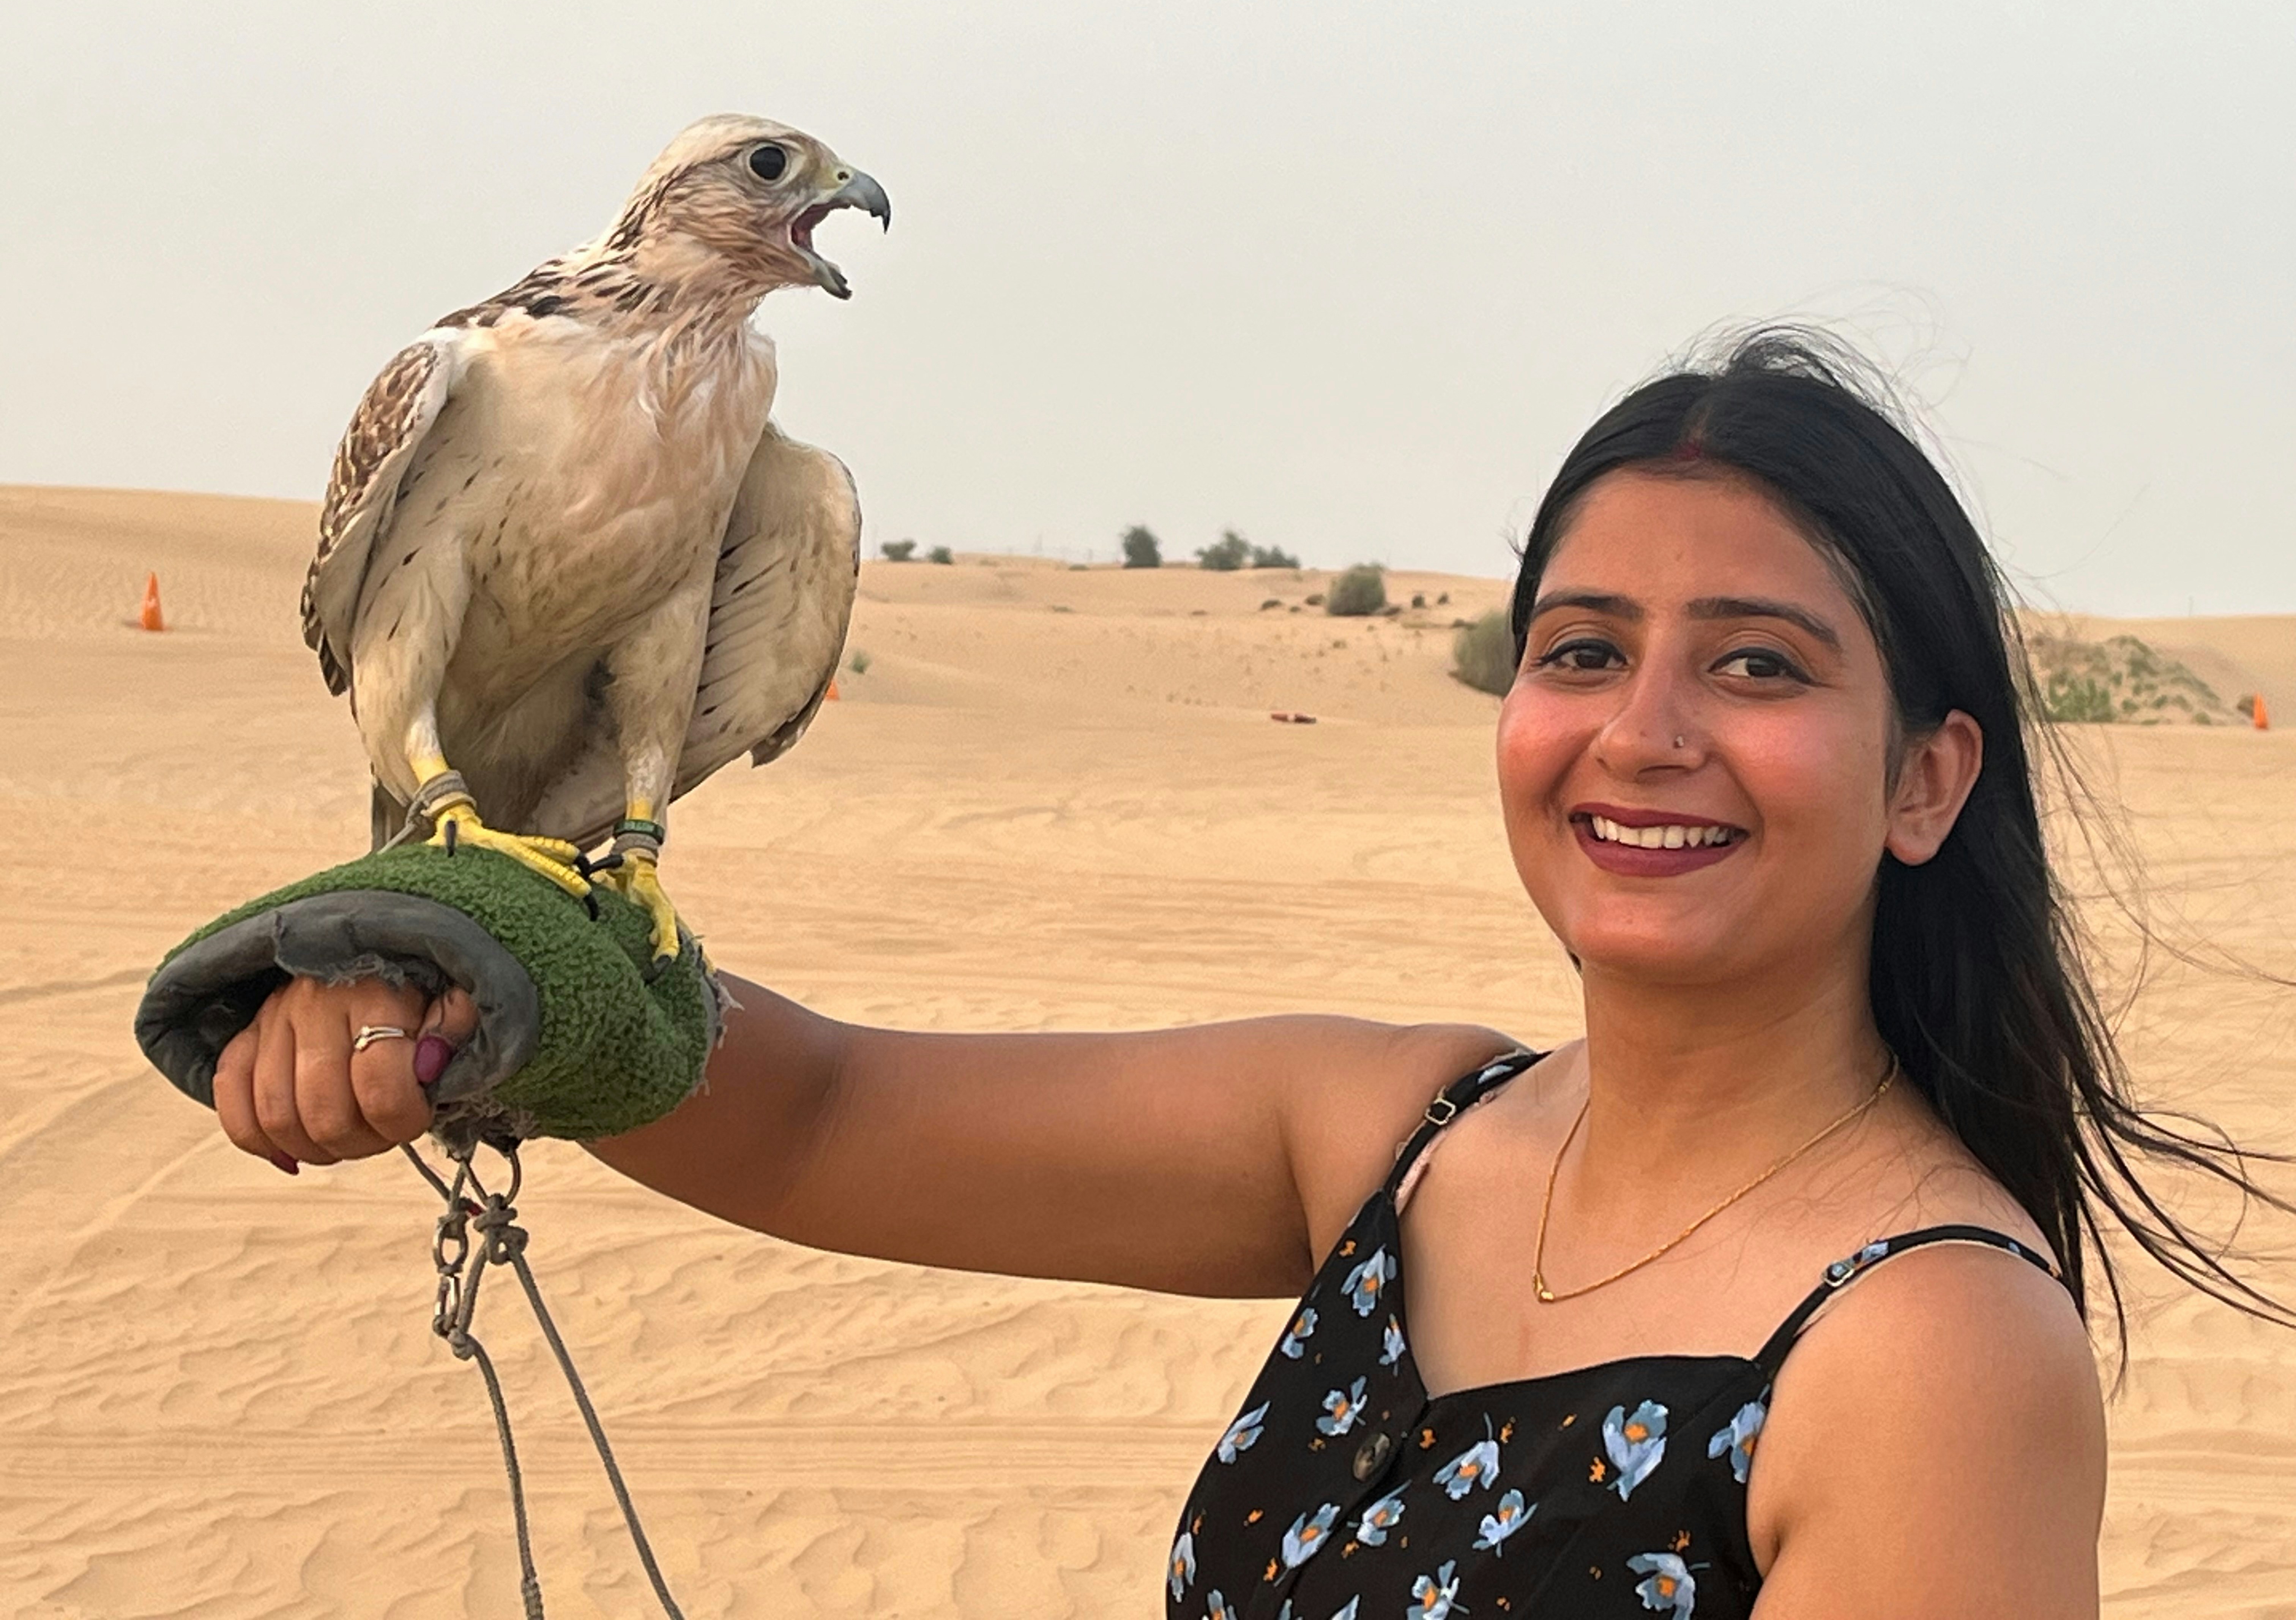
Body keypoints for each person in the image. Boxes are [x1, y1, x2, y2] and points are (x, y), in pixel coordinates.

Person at [210, 333, 2278, 1618]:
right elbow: (819, 1109)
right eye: (1579, 649)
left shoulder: (1924, 1354)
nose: (1644, 728)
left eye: (1759, 661)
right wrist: (461, 986)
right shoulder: (1400, 1133)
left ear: (1929, 778)